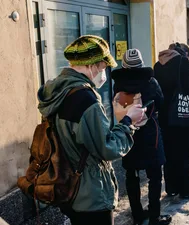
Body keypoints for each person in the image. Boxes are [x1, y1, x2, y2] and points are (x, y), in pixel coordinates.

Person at [37, 35, 146, 225]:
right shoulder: (86, 100)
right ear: (91, 65)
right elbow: (107, 148)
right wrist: (129, 122)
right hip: (90, 195)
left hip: (67, 185)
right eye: (103, 67)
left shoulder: (57, 91)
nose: (103, 73)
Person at [111, 49, 171, 225]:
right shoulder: (150, 82)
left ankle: (137, 215)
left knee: (131, 175)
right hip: (150, 133)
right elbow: (160, 102)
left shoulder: (118, 84)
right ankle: (154, 216)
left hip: (127, 132)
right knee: (154, 177)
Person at [154, 43, 189, 199]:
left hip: (165, 115)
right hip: (181, 114)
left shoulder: (157, 64)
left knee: (169, 151)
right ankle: (187, 188)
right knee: (183, 151)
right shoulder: (182, 62)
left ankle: (171, 187)